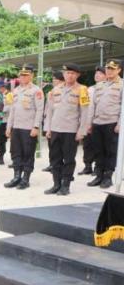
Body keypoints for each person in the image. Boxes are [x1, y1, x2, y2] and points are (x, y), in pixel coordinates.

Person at [43, 63, 90, 195]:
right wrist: (48, 129)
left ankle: (66, 185)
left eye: (73, 73)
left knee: (69, 159)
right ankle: (56, 184)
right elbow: (50, 111)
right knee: (54, 158)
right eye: (67, 73)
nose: (69, 75)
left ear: (77, 75)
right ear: (63, 74)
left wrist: (81, 131)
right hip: (55, 129)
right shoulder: (55, 90)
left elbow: (85, 112)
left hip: (71, 131)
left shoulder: (82, 89)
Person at [4, 64, 44, 190]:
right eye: (21, 75)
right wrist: (9, 127)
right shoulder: (15, 91)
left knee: (28, 154)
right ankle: (16, 176)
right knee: (15, 153)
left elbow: (39, 110)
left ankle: (25, 178)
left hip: (29, 128)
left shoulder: (36, 90)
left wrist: (36, 127)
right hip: (16, 127)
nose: (23, 77)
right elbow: (12, 111)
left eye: (26, 75)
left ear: (31, 76)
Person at [87, 59, 123, 189]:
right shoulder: (99, 85)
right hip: (97, 122)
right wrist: (89, 122)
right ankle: (99, 175)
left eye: (112, 68)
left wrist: (120, 124)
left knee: (111, 151)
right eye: (108, 68)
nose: (109, 70)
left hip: (112, 123)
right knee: (98, 150)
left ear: (119, 70)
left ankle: (108, 177)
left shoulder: (122, 85)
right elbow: (92, 105)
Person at [78, 65, 106, 176]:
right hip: (86, 121)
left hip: (98, 122)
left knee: (98, 146)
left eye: (100, 73)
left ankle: (98, 168)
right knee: (87, 145)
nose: (97, 75)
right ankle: (87, 166)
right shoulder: (89, 89)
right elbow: (83, 106)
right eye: (96, 73)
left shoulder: (105, 89)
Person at [42, 71, 65, 173]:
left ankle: (59, 165)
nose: (53, 81)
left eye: (55, 79)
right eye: (53, 79)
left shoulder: (64, 91)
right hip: (50, 121)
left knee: (59, 147)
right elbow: (48, 108)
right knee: (51, 145)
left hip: (60, 123)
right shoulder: (51, 92)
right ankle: (52, 164)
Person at [0, 79, 12, 165]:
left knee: (4, 140)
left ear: (2, 87)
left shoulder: (9, 95)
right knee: (0, 140)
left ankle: (9, 158)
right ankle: (0, 157)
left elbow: (9, 108)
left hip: (6, 121)